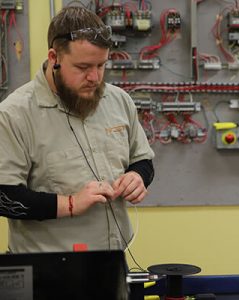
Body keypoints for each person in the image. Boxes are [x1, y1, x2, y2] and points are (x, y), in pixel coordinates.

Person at [0, 6, 155, 253]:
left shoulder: (118, 100)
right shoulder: (14, 114)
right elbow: (4, 198)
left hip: (112, 264)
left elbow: (142, 159)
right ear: (54, 58)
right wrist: (70, 203)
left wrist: (138, 178)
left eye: (101, 65)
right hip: (46, 276)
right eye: (83, 67)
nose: (94, 77)